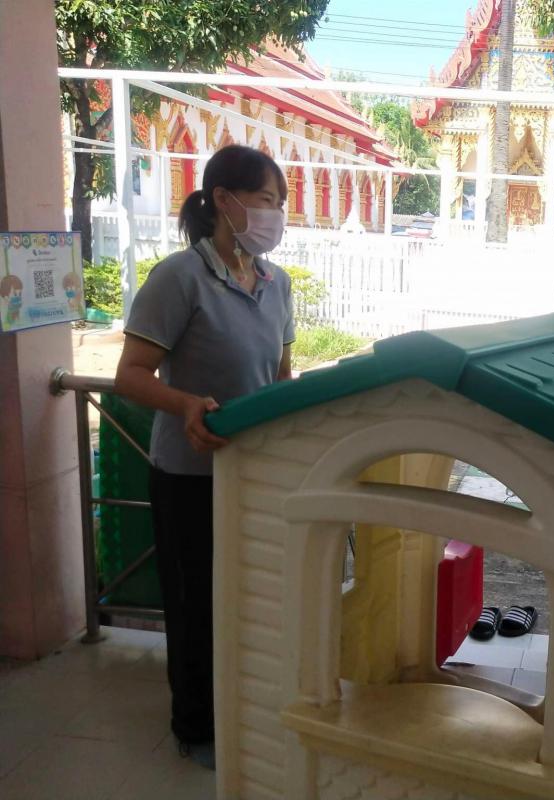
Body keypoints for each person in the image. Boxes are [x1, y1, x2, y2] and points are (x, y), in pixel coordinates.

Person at [114, 145, 295, 768]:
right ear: (224, 200)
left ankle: (245, 712)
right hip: (189, 477)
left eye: (280, 204)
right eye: (267, 200)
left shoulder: (277, 283)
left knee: (251, 601)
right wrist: (187, 404)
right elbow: (130, 376)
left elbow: (280, 375)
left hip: (254, 476)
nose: (276, 215)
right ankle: (196, 726)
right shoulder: (179, 277)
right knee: (196, 604)